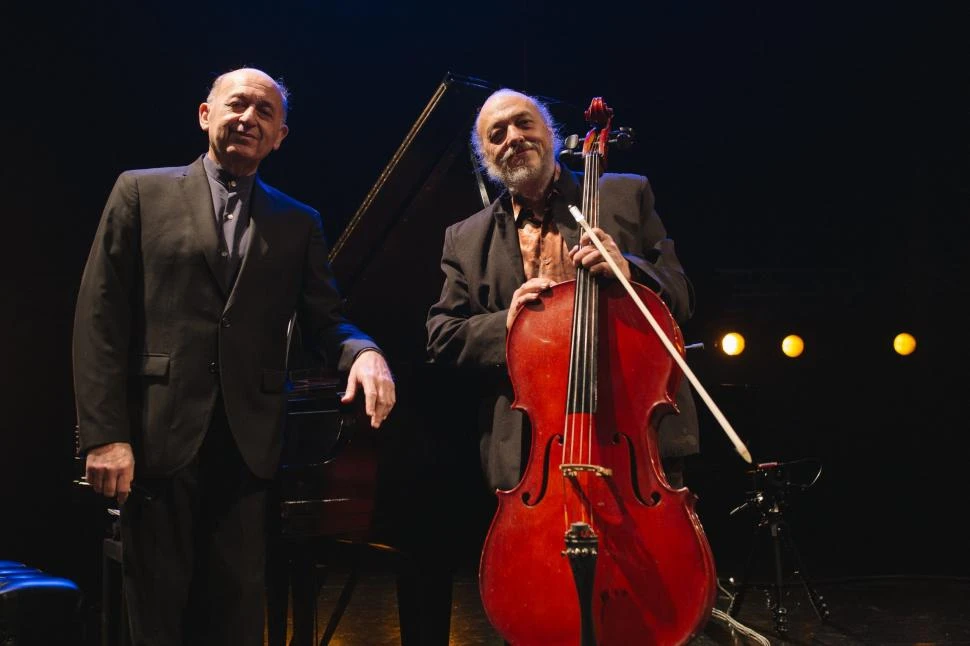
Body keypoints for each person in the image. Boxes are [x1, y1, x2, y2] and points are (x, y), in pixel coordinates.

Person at [73, 67, 396, 646]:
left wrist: (364, 353)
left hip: (249, 447)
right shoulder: (140, 191)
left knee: (236, 617)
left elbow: (327, 320)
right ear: (205, 115)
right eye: (237, 105)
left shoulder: (299, 222)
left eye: (265, 112)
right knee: (156, 616)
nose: (249, 118)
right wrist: (104, 434)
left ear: (280, 137)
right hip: (155, 440)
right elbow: (99, 320)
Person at [426, 88, 699, 495]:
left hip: (635, 430)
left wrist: (628, 270)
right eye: (496, 134)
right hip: (530, 448)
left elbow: (681, 296)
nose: (513, 137)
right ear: (486, 158)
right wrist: (509, 323)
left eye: (523, 123)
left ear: (550, 133)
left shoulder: (626, 194)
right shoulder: (465, 238)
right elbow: (442, 336)